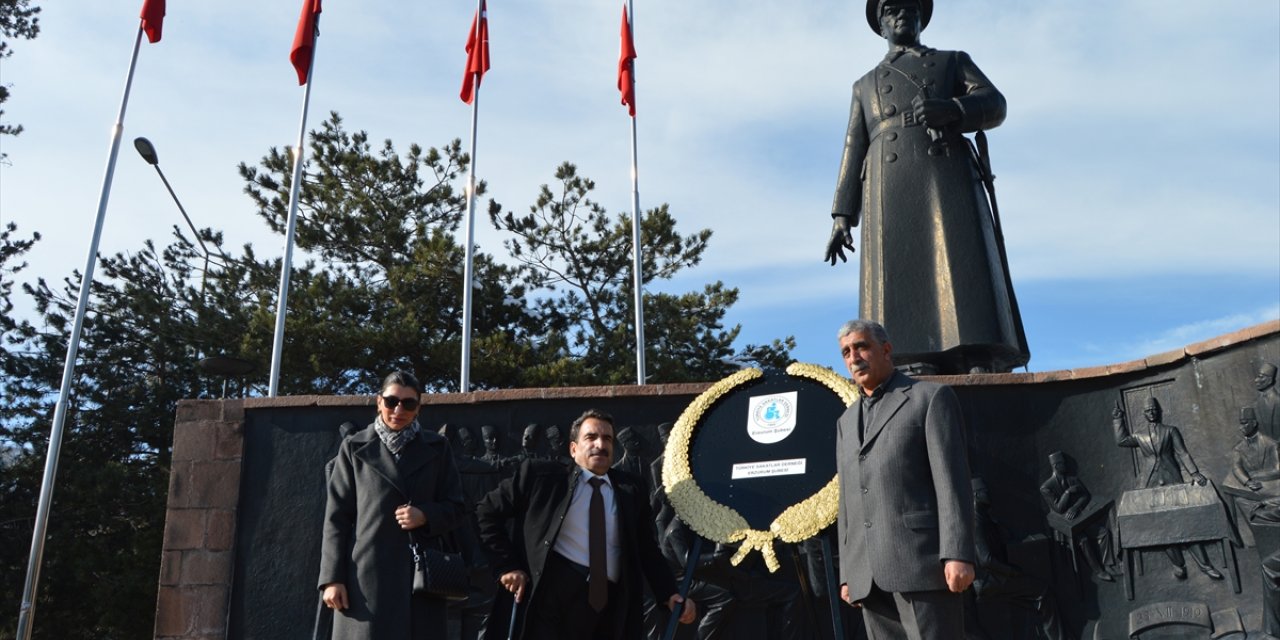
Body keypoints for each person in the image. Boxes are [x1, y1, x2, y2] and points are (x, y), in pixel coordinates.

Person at [824, 0, 1028, 375]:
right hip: (888, 184)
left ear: (920, 19)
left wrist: (953, 108)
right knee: (898, 263)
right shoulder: (865, 84)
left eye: (908, 8)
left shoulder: (952, 61)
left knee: (961, 254)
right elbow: (854, 146)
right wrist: (841, 215)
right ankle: (908, 354)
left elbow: (994, 103)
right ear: (881, 25)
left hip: (945, 169)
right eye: (891, 10)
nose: (900, 14)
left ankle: (976, 352)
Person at [475, 409, 696, 639]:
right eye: (591, 437)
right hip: (548, 600)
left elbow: (647, 548)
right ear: (573, 449)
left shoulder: (631, 490)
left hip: (607, 609)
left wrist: (668, 593)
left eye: (607, 439)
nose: (600, 444)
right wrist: (505, 566)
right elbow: (485, 512)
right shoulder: (541, 477)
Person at [834, 319, 975, 639]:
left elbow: (952, 481)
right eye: (846, 352)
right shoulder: (844, 422)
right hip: (866, 576)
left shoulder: (930, 399)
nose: (854, 357)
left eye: (861, 347)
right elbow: (848, 500)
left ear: (885, 349)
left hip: (923, 566)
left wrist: (958, 553)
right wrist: (848, 573)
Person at [318, 370, 468, 639]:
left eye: (408, 403)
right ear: (379, 402)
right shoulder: (354, 448)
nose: (399, 409)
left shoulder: (438, 448)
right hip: (364, 579)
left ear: (418, 407)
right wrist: (332, 578)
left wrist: (425, 515)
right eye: (391, 401)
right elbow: (337, 517)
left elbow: (457, 507)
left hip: (420, 579)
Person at [1113, 397, 1223, 580]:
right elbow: (1122, 440)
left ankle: (1205, 565)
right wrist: (1118, 420)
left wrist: (1194, 473)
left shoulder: (1171, 431)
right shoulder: (1140, 436)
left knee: (1185, 523)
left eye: (1154, 409)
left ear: (1159, 411)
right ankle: (1178, 563)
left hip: (1172, 479)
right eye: (1148, 410)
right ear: (1144, 413)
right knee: (1159, 526)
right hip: (1149, 483)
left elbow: (1182, 452)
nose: (1152, 413)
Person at [1038, 451, 1117, 582]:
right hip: (1064, 527)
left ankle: (1108, 564)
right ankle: (1099, 571)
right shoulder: (1046, 487)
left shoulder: (1073, 479)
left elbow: (1086, 496)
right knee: (1083, 540)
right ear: (1056, 466)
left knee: (1103, 533)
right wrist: (1068, 492)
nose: (1066, 466)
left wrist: (1075, 507)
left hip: (1079, 518)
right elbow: (1058, 508)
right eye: (1063, 464)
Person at [1256, 363, 1280, 440]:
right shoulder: (1259, 401)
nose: (1256, 380)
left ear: (1269, 380)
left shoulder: (1278, 402)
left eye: (1261, 377)